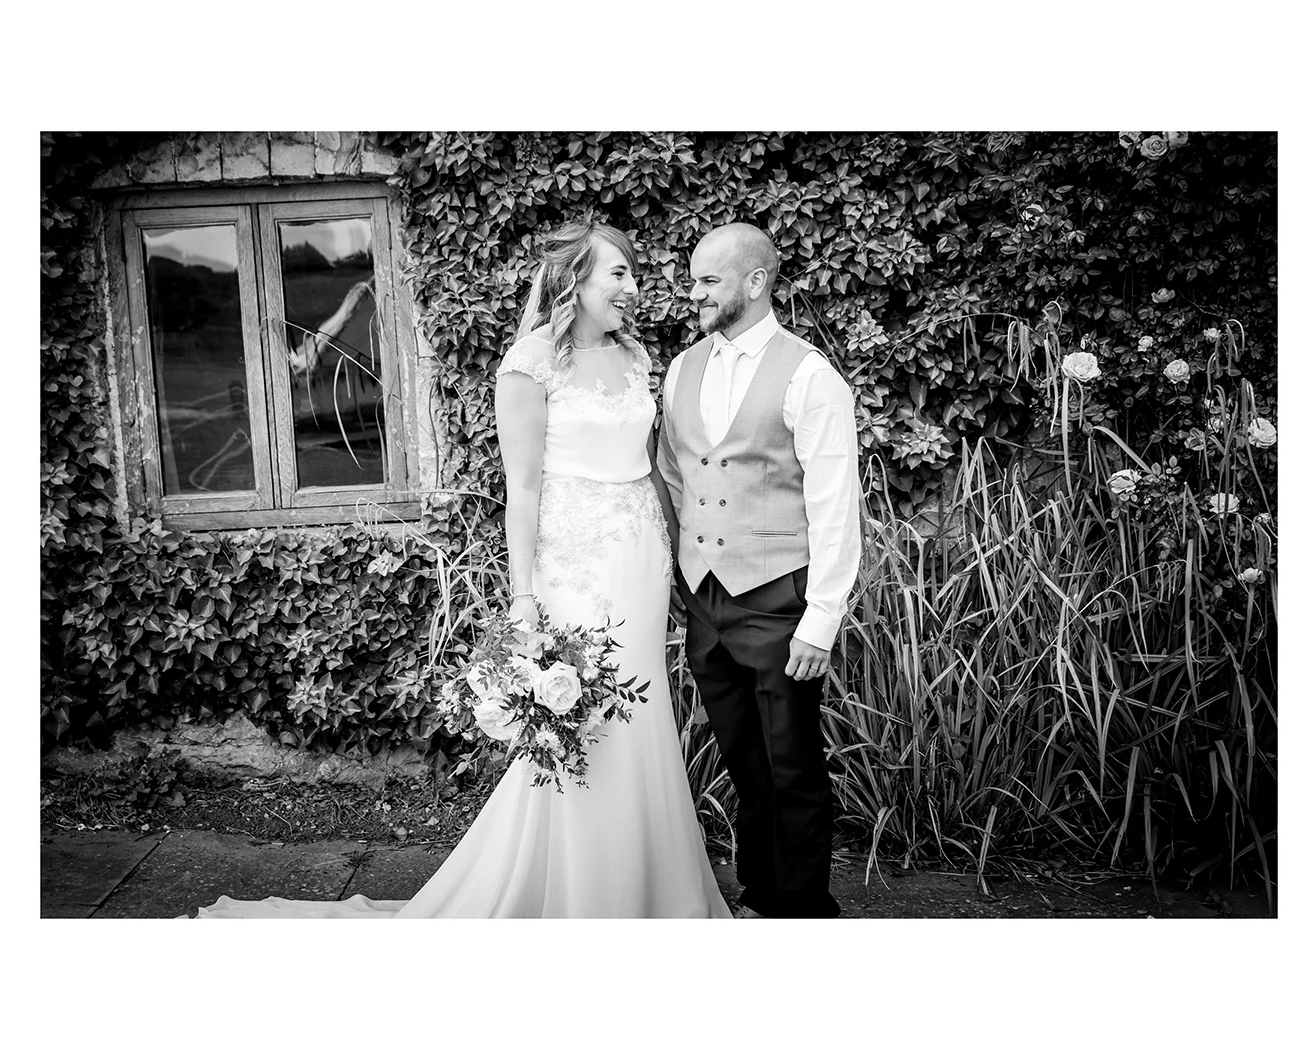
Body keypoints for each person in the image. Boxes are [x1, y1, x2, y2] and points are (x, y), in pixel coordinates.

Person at [194, 220, 731, 918]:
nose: (633, 286)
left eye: (632, 273)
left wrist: (679, 552)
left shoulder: (635, 356)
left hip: (642, 559)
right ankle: (582, 894)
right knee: (588, 720)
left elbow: (649, 467)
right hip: (576, 564)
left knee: (642, 712)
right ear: (575, 281)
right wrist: (523, 598)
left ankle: (652, 888)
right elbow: (524, 489)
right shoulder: (530, 364)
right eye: (618, 273)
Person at [656, 223, 862, 919]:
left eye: (708, 280)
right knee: (745, 762)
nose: (693, 293)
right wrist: (685, 572)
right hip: (706, 602)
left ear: (755, 281)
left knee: (792, 765)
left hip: (779, 599)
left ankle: (803, 911)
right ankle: (759, 895)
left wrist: (821, 618)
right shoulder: (681, 370)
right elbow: (677, 476)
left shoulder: (809, 375)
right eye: (692, 279)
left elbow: (834, 503)